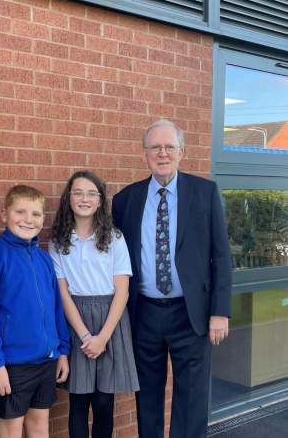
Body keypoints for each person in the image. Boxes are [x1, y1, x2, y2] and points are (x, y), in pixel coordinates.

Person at [112, 120, 232, 438]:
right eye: (155, 147)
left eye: (168, 147)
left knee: (192, 400)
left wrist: (220, 311)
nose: (162, 153)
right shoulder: (125, 201)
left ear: (181, 151)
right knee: (147, 398)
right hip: (144, 314)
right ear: (144, 154)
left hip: (191, 313)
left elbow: (221, 255)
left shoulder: (205, 192)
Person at [0, 185, 70, 438]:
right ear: (4, 214)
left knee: (39, 427)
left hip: (46, 361)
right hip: (11, 365)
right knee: (11, 431)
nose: (28, 219)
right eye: (20, 212)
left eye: (35, 214)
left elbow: (56, 308)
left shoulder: (44, 258)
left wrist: (62, 351)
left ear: (43, 220)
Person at [49, 171, 139, 438]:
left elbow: (122, 292)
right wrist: (86, 335)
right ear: (69, 198)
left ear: (101, 201)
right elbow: (62, 293)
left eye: (91, 193)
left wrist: (102, 338)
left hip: (110, 321)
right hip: (76, 321)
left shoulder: (115, 238)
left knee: (103, 402)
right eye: (78, 192)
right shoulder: (58, 241)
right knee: (78, 402)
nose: (84, 199)